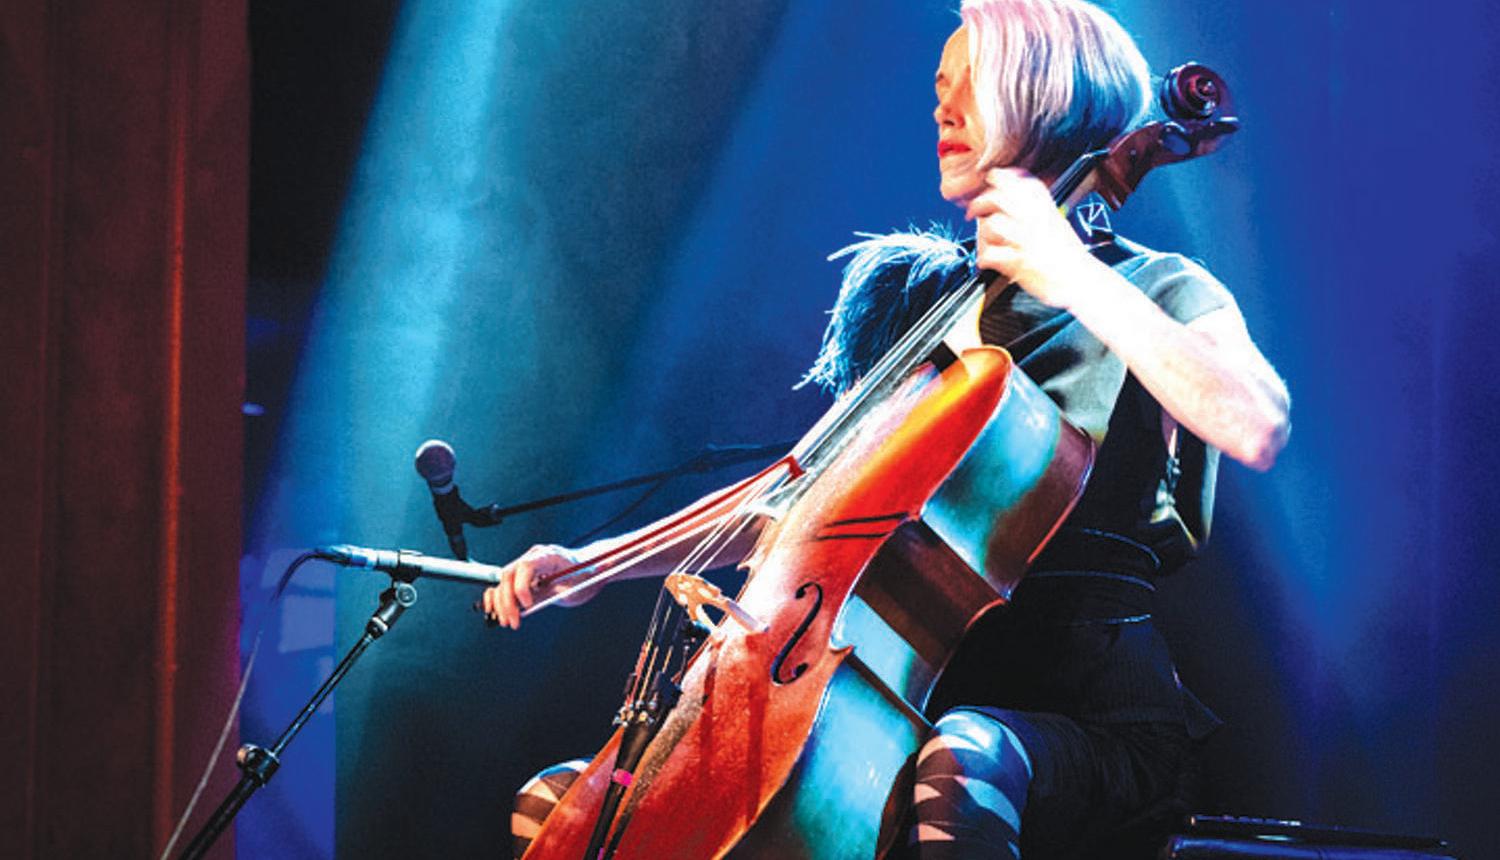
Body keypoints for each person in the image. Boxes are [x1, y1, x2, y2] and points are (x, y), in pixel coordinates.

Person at [484, 1, 1290, 857]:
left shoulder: (1158, 290)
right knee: (565, 808)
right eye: (940, 87)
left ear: (1048, 97)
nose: (944, 108)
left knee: (965, 763)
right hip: (898, 700)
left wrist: (1073, 275)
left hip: (1082, 714)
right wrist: (594, 564)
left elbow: (1255, 421)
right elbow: (801, 501)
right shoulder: (931, 313)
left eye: (974, 83)